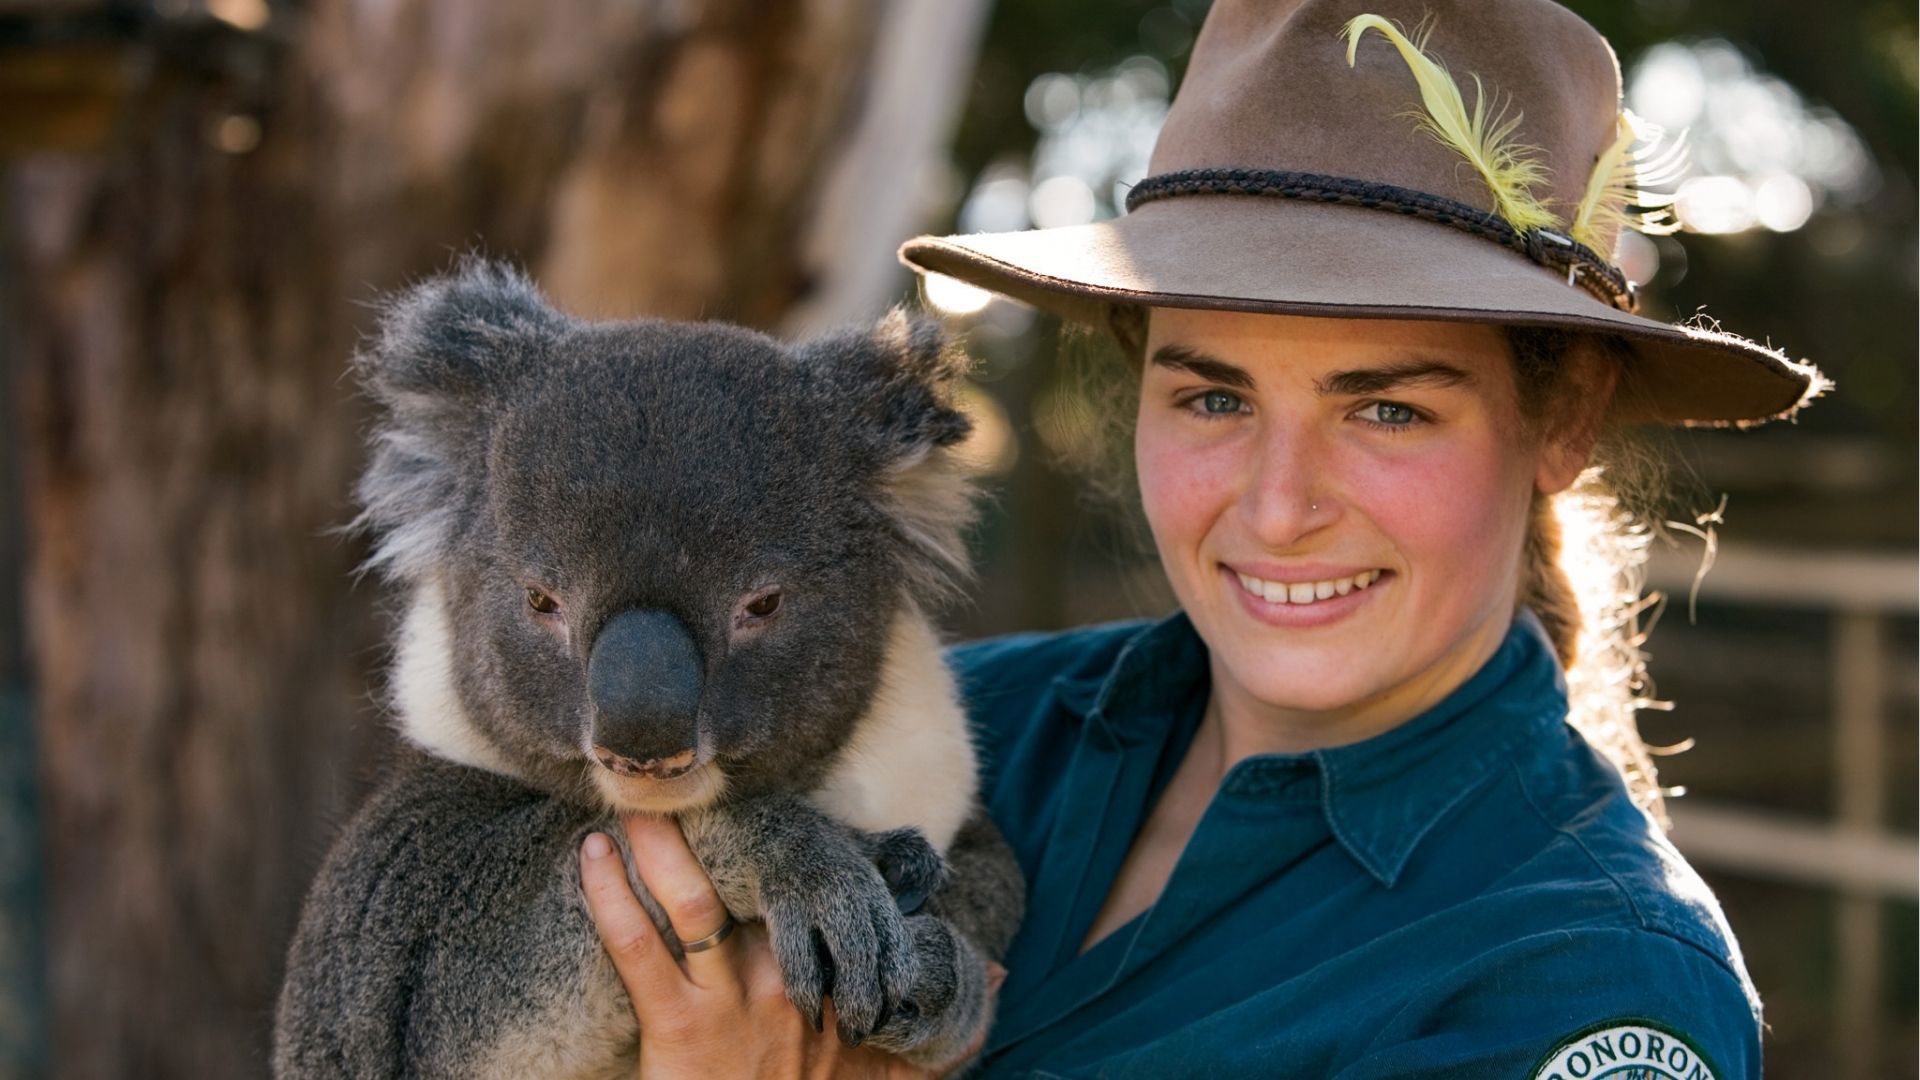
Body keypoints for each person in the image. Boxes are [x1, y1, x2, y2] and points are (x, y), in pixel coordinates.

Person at [576, 0, 1826, 1076]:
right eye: (1214, 398)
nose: (1279, 507)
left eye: (1386, 408)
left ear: (1563, 422)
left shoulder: (1583, 984)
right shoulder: (953, 733)